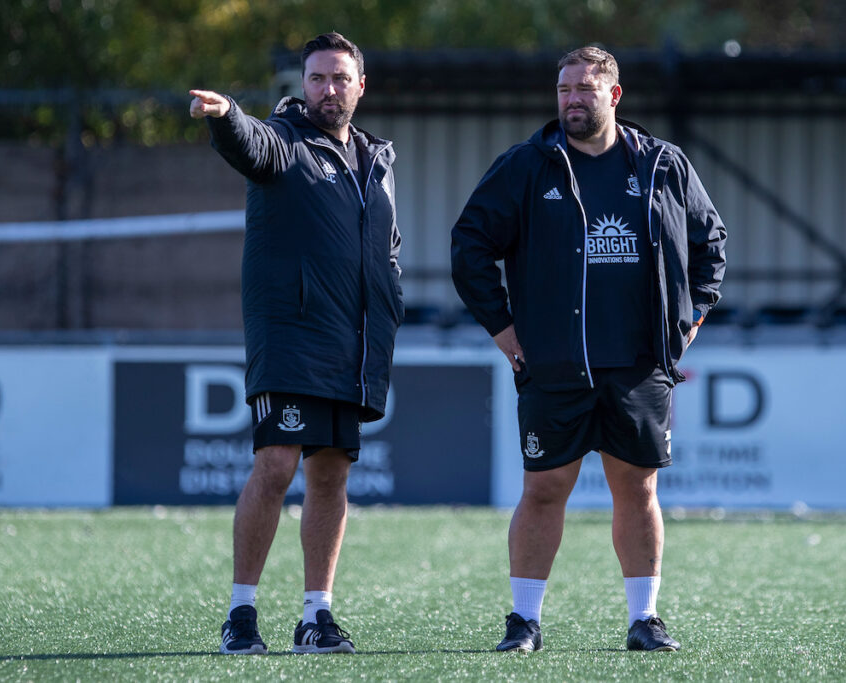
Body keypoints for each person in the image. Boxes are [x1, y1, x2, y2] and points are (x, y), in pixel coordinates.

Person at [451, 46, 726, 653]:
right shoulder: (527, 165)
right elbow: (470, 244)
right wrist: (502, 328)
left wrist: (689, 321)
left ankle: (645, 619)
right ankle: (524, 622)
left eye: (585, 89)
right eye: (564, 89)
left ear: (614, 96)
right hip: (553, 363)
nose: (572, 99)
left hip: (638, 365)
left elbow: (712, 246)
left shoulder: (662, 165)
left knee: (639, 490)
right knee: (544, 489)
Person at [189, 32, 404, 655]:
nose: (328, 89)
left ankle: (317, 616)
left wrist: (387, 299)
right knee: (277, 465)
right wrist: (228, 115)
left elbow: (385, 249)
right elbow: (249, 142)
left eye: (340, 78)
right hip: (290, 335)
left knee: (331, 475)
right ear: (301, 85)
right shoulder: (284, 142)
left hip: (354, 342)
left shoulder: (375, 159)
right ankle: (241, 613)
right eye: (316, 78)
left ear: (360, 86)